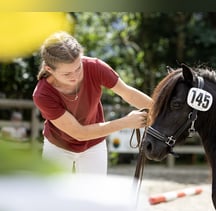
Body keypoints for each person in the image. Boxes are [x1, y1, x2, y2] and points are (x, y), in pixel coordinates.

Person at [32, 31, 152, 174]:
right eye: (67, 74)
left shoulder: (95, 67)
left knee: (95, 195)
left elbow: (129, 94)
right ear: (49, 69)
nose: (75, 76)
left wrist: (161, 112)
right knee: (53, 195)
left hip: (94, 143)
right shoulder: (42, 94)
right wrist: (126, 122)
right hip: (58, 146)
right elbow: (79, 133)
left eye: (78, 68)